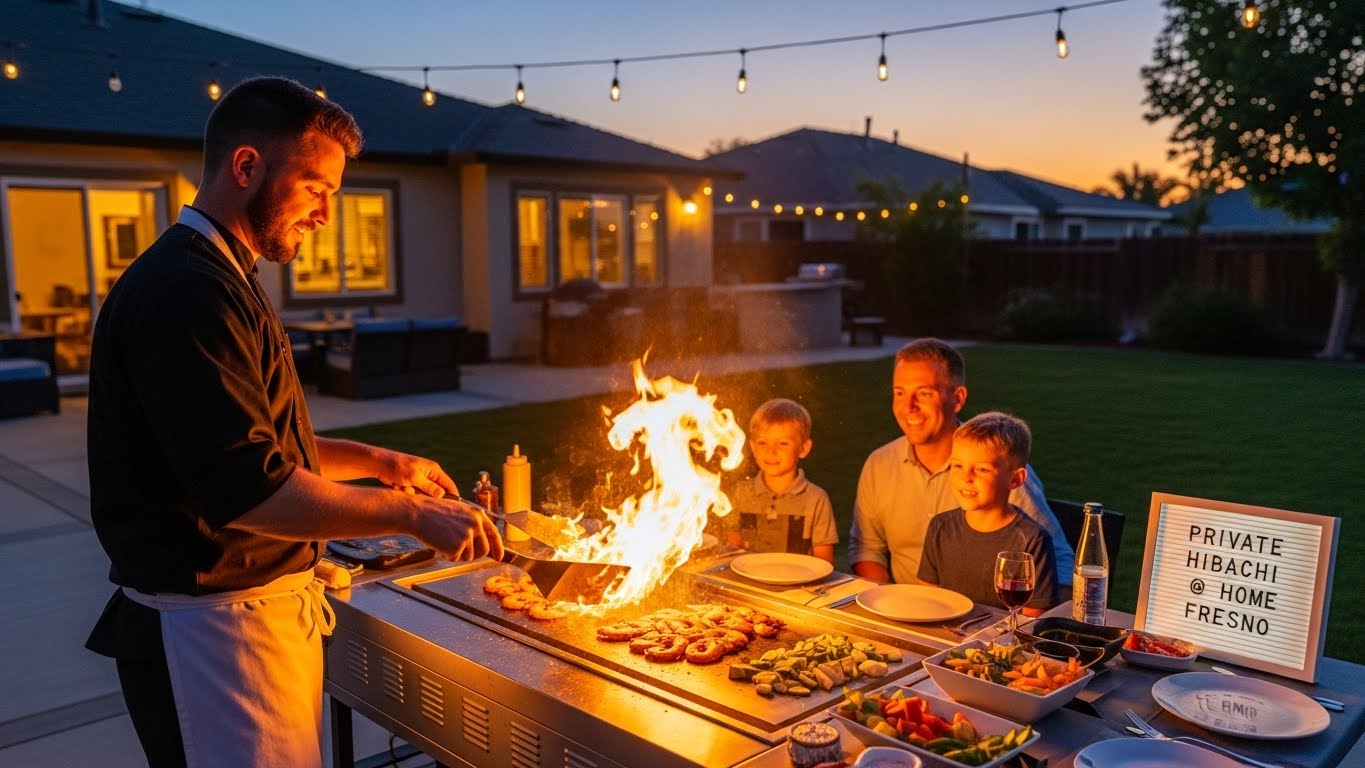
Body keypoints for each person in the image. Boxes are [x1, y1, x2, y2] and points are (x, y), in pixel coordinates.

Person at [83, 77, 503, 768]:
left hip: (248, 624)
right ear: (246, 166)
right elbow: (252, 492)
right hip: (212, 639)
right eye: (315, 189)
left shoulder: (223, 275)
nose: (325, 215)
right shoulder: (188, 292)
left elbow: (259, 446)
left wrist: (380, 463)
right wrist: (412, 514)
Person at [848, 338, 1073, 585]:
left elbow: (1058, 559)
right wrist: (883, 597)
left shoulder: (996, 470)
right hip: (906, 604)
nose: (908, 407)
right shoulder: (879, 465)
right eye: (900, 393)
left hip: (983, 608)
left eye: (924, 393)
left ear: (957, 399)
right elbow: (867, 548)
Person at [918, 412, 1059, 614]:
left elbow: (1033, 619)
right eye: (958, 465)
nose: (965, 477)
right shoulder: (940, 527)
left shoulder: (1032, 540)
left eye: (982, 469)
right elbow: (927, 601)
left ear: (1015, 479)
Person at [722, 398, 839, 563]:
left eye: (783, 443)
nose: (771, 451)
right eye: (762, 442)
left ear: (803, 448)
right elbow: (732, 552)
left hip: (799, 579)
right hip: (748, 577)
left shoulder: (816, 499)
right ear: (753, 447)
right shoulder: (740, 494)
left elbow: (824, 562)